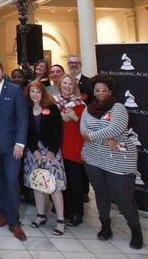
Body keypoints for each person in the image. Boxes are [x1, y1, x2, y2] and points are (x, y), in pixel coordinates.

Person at [81, 74, 143, 250]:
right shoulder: (89, 108)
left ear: (110, 92)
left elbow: (115, 128)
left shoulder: (118, 109)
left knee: (123, 197)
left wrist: (93, 136)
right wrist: (102, 139)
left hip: (118, 160)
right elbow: (83, 129)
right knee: (101, 193)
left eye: (104, 90)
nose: (100, 93)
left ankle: (136, 231)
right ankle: (105, 226)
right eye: (97, 90)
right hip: (93, 158)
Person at [0, 61, 28, 241]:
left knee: (11, 181)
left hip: (12, 147)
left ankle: (14, 221)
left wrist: (20, 143)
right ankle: (3, 214)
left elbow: (23, 118)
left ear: (2, 72)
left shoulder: (14, 90)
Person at [23, 82, 66, 236]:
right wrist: (34, 151)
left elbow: (58, 131)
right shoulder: (26, 109)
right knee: (37, 183)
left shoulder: (52, 108)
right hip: (33, 152)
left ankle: (60, 220)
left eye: (38, 92)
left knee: (54, 185)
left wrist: (52, 151)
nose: (35, 94)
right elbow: (26, 132)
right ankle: (41, 215)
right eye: (32, 91)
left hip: (50, 152)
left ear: (43, 93)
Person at [54, 74, 87, 226]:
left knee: (76, 183)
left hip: (74, 148)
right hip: (59, 148)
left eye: (70, 84)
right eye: (65, 83)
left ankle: (78, 213)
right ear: (60, 85)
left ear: (74, 87)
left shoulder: (80, 105)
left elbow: (88, 128)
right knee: (62, 183)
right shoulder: (55, 103)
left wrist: (76, 118)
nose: (67, 86)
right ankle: (65, 211)